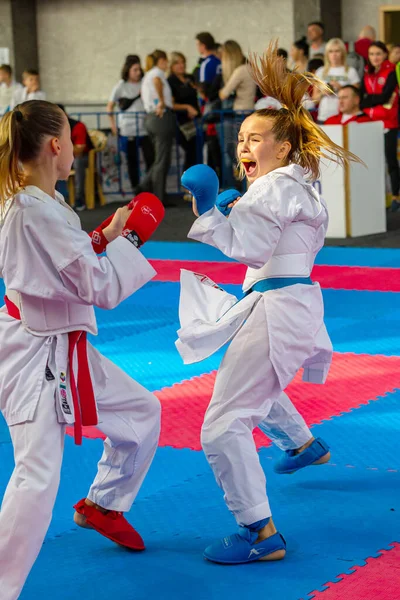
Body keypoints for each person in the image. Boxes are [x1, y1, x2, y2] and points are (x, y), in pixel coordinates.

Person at [178, 42, 361, 565]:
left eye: (255, 139)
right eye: (240, 137)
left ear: (282, 149)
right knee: (256, 384)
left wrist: (210, 210)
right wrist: (237, 208)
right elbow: (274, 240)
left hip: (278, 307)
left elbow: (253, 247)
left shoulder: (274, 188)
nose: (243, 146)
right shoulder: (296, 183)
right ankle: (303, 446)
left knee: (222, 423)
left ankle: (260, 533)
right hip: (287, 303)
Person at [0, 100, 164, 599]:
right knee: (36, 477)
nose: (74, 150)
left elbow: (60, 262)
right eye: (70, 141)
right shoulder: (32, 210)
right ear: (55, 146)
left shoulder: (39, 203)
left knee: (142, 412)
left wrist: (105, 234)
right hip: (37, 357)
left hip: (61, 349)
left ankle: (103, 503)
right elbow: (100, 287)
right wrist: (132, 238)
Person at [360, 41, 400, 211]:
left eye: (378, 54)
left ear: (385, 54)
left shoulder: (391, 72)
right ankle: (377, 198)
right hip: (371, 124)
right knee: (374, 162)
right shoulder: (367, 73)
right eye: (372, 54)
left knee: (391, 161)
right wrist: (371, 103)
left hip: (389, 124)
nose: (375, 57)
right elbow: (361, 99)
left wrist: (370, 102)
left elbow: (386, 98)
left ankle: (396, 198)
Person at [107, 55, 154, 191]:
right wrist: (113, 126)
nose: (138, 72)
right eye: (135, 70)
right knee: (132, 161)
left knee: (150, 158)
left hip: (145, 127)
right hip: (128, 129)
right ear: (128, 70)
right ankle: (136, 189)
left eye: (139, 69)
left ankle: (148, 186)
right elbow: (110, 106)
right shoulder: (121, 86)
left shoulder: (144, 83)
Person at [138, 50, 176, 205]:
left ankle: (146, 185)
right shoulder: (157, 73)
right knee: (162, 160)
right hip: (160, 117)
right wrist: (161, 101)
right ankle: (157, 195)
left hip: (151, 118)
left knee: (160, 158)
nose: (167, 65)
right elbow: (157, 82)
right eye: (166, 61)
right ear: (161, 60)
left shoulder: (149, 74)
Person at [313, 38, 360, 123]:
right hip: (324, 116)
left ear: (343, 53)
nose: (334, 54)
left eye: (337, 51)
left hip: (344, 116)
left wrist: (341, 88)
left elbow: (356, 98)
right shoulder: (320, 71)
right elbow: (314, 99)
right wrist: (323, 93)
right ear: (327, 54)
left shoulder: (350, 71)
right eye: (330, 51)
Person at [57, 104, 94, 211]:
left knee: (78, 162)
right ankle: (52, 199)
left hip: (84, 158)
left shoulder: (78, 126)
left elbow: (79, 150)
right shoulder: (53, 129)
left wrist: (61, 148)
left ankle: (79, 199)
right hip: (65, 157)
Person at [168, 52, 199, 172]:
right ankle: (187, 180)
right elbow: (171, 104)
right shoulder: (170, 81)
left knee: (197, 149)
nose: (181, 65)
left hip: (195, 118)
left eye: (182, 62)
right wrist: (186, 107)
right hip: (181, 121)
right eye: (177, 63)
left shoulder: (189, 78)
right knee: (190, 149)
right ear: (172, 65)